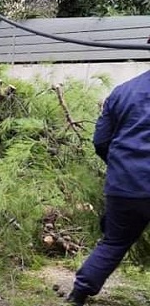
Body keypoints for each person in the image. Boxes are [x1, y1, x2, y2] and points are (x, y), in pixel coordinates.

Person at [67, 71, 150, 306]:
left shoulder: (123, 91)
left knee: (114, 242)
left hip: (124, 186)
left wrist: (122, 168)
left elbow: (101, 141)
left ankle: (79, 293)